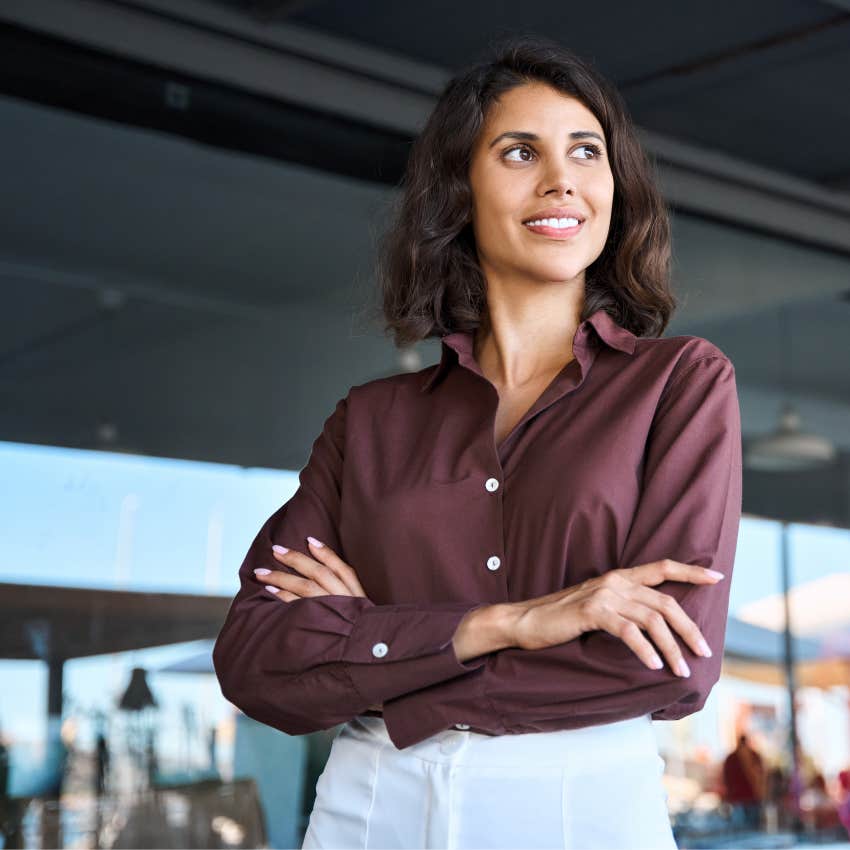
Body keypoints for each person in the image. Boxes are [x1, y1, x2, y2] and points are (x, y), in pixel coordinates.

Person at [213, 34, 742, 850]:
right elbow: (256, 660)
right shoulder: (370, 422)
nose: (562, 179)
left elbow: (668, 663)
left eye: (587, 151)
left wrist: (374, 647)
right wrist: (508, 623)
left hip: (576, 808)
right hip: (371, 810)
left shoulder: (679, 385)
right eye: (520, 151)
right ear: (459, 189)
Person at [722, 734, 765, 831]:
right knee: (749, 828)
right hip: (745, 799)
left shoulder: (732, 758)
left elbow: (726, 779)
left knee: (743, 829)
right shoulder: (753, 756)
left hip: (742, 799)